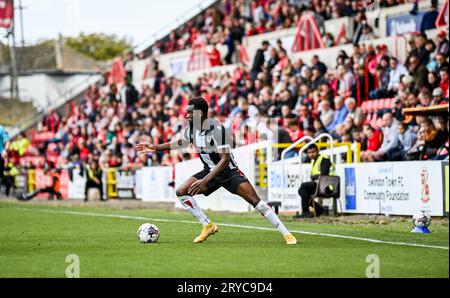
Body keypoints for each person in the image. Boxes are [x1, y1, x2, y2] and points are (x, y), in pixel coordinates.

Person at [137, 97, 297, 245]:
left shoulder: (217, 130)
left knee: (257, 203)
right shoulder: (191, 128)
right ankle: (208, 225)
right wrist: (155, 148)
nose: (186, 116)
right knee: (181, 192)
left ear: (201, 113)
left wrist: (205, 180)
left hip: (229, 173)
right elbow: (181, 141)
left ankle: (287, 234)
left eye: (190, 112)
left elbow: (225, 159)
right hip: (209, 172)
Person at [297, 144, 335, 218]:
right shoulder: (313, 161)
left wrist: (314, 176)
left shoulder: (324, 159)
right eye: (309, 153)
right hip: (320, 185)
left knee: (303, 187)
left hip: (328, 186)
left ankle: (307, 211)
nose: (311, 154)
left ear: (318, 151)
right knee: (302, 191)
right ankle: (318, 210)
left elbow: (324, 174)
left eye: (313, 152)